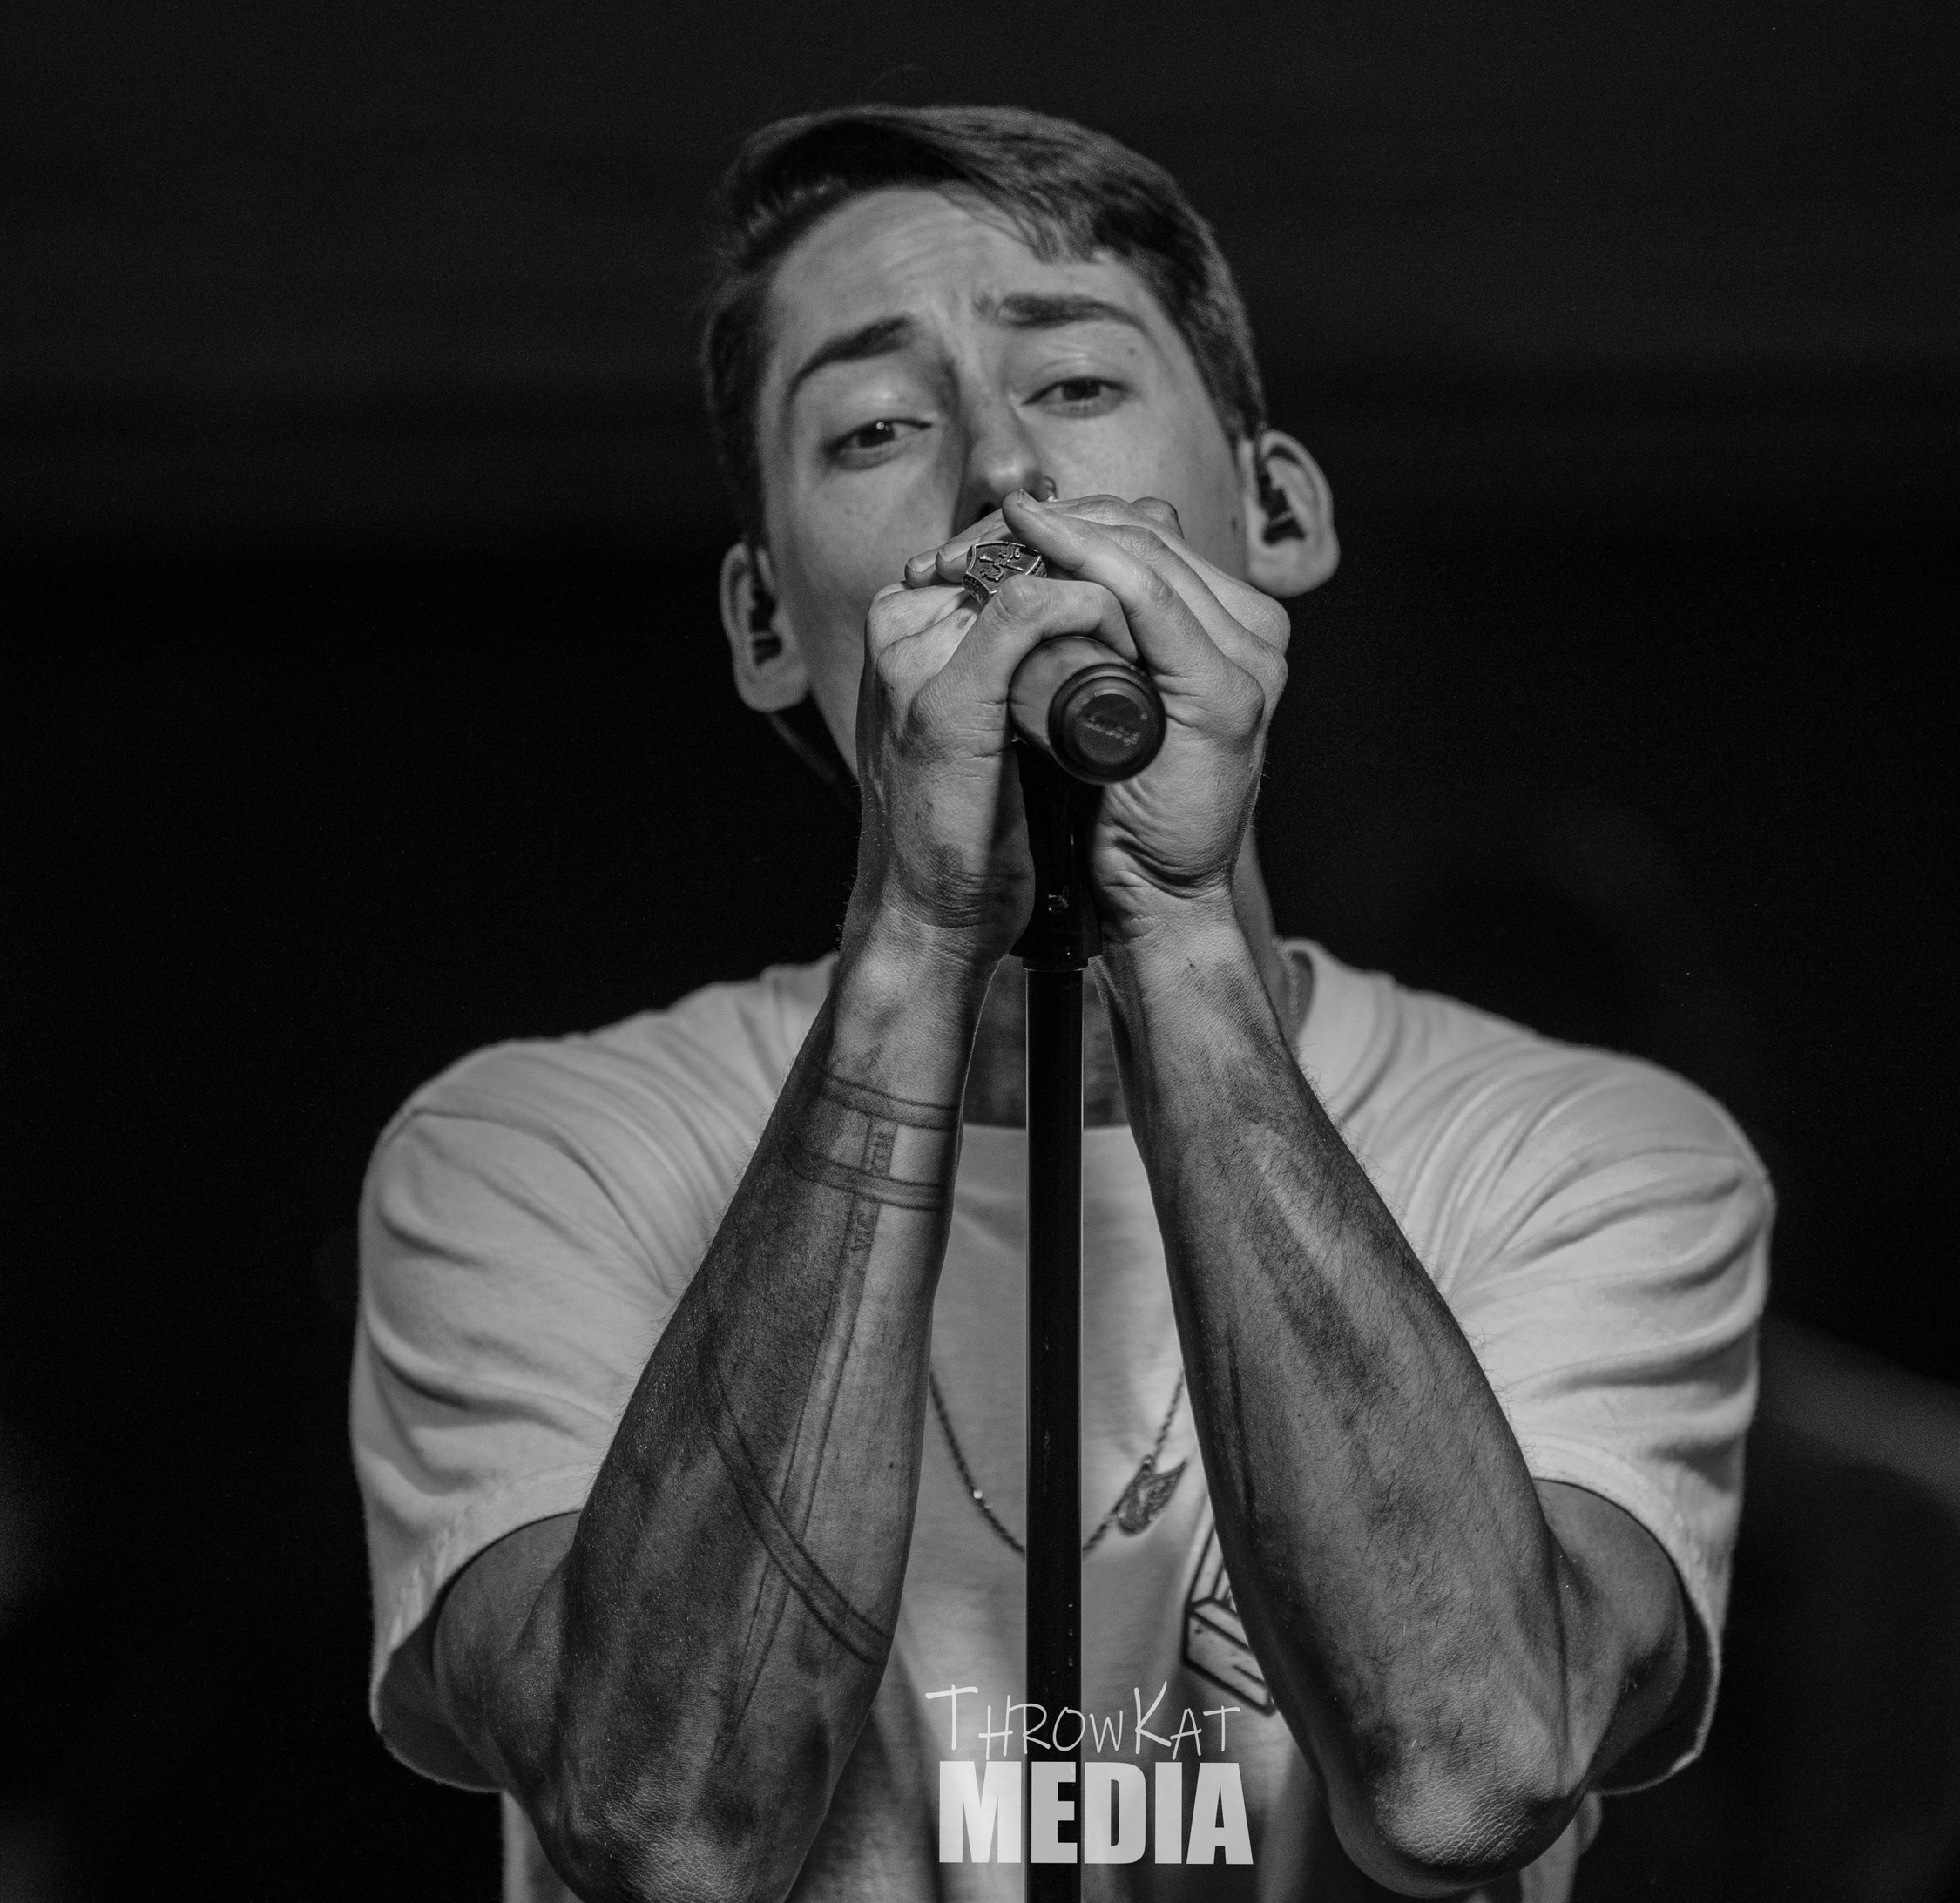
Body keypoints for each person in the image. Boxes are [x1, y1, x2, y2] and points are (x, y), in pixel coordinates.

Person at [351, 105, 1773, 1902]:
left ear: (1275, 510)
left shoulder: (1581, 1149)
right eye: (875, 427)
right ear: (765, 622)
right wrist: (920, 935)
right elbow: (675, 1832)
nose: (999, 481)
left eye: (1079, 385)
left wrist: (1174, 923)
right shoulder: (528, 1154)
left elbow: (1465, 1777)